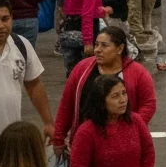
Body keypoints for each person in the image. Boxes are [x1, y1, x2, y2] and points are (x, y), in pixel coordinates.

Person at [0, 0, 56, 167]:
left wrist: (49, 123)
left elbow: (34, 84)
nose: (0, 26)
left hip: (12, 143)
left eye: (5, 19)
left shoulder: (21, 45)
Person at [54, 26, 156, 158]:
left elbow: (149, 104)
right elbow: (67, 103)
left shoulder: (138, 73)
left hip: (124, 144)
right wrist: (58, 138)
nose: (97, 50)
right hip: (86, 142)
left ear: (120, 48)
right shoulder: (82, 69)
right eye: (96, 45)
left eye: (104, 45)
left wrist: (129, 129)